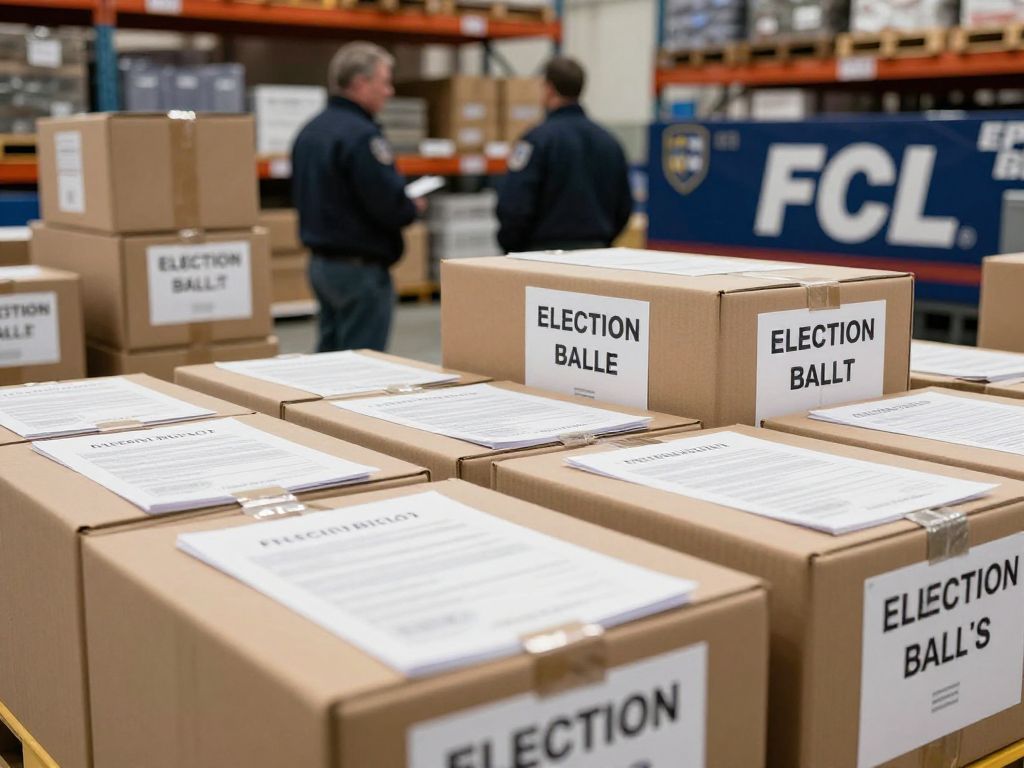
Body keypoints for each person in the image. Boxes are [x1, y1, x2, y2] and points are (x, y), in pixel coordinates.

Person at [292, 41, 425, 353]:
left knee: (329, 355)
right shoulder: (362, 137)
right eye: (385, 82)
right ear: (361, 83)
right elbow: (386, 204)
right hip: (359, 270)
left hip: (322, 266)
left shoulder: (310, 130)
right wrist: (409, 206)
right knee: (362, 366)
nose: (389, 91)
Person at [496, 56, 633, 253]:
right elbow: (624, 207)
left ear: (549, 88)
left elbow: (514, 206)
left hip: (543, 257)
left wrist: (513, 247)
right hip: (597, 255)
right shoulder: (610, 142)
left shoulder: (536, 141)